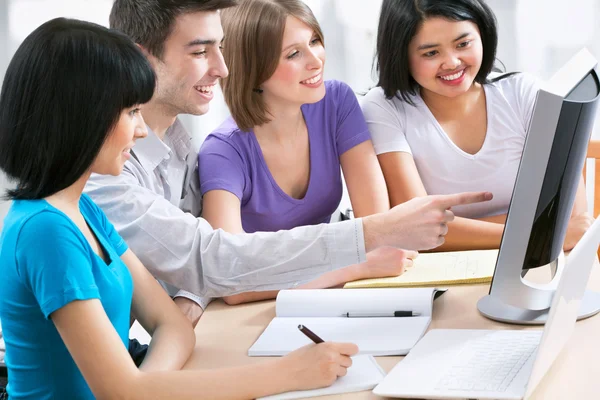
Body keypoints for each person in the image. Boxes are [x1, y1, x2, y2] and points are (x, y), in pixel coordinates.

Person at [0, 18, 365, 400]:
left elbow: (172, 325)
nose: (140, 131)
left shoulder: (83, 210)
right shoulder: (46, 231)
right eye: (130, 113)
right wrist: (287, 373)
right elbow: (123, 391)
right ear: (80, 118)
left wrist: (149, 387)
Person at [85, 0, 492, 326]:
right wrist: (360, 250)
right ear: (141, 58)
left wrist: (191, 297)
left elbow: (198, 275)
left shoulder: (176, 145)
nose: (223, 68)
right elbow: (215, 263)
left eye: (220, 48)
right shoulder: (109, 175)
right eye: (200, 51)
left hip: (222, 325)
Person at [198, 0, 412, 305]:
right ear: (253, 68)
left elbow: (377, 228)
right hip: (257, 310)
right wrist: (352, 268)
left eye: (314, 41)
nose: (316, 61)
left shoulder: (336, 102)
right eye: (294, 54)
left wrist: (357, 265)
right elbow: (231, 283)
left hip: (323, 294)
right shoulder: (223, 152)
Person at [361, 0, 592, 252]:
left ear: (482, 33)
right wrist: (538, 234)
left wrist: (458, 230)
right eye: (430, 53)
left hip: (536, 261)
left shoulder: (524, 93)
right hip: (443, 275)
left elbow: (568, 217)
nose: (451, 62)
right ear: (401, 54)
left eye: (463, 44)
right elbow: (416, 230)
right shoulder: (384, 108)